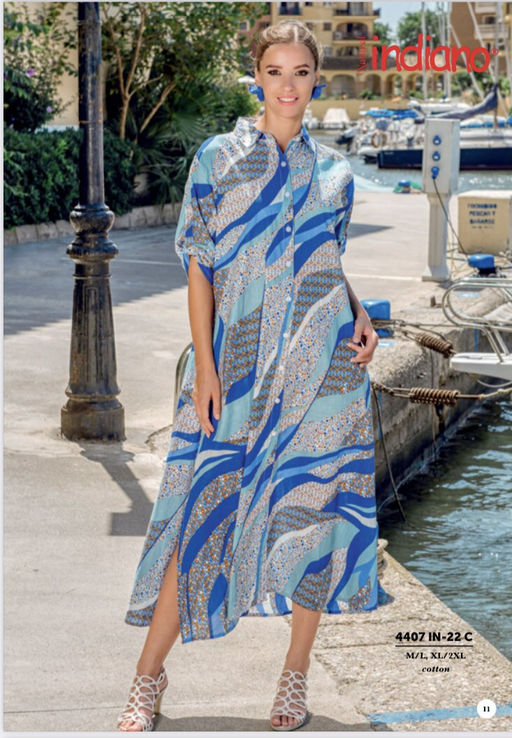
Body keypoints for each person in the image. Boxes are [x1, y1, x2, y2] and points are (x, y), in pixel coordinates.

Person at [117, 19, 390, 733]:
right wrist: (206, 368)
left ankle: (294, 680)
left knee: (313, 520)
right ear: (257, 78)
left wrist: (360, 312)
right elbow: (200, 266)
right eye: (275, 71)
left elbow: (323, 261)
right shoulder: (219, 158)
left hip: (324, 375)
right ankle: (148, 677)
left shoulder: (335, 173)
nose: (288, 85)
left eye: (301, 72)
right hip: (234, 373)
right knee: (200, 520)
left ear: (316, 80)